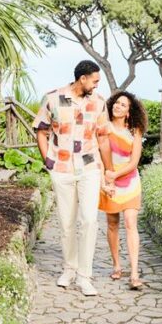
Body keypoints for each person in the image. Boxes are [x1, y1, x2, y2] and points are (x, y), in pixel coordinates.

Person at [33, 60, 112, 296]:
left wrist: (108, 170)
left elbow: (104, 138)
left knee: (89, 221)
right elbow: (41, 130)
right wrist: (48, 161)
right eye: (95, 80)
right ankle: (69, 268)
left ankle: (84, 276)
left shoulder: (99, 103)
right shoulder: (52, 98)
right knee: (66, 223)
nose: (97, 85)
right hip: (62, 168)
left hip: (89, 168)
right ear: (83, 79)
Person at [98, 90, 146, 290]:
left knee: (130, 222)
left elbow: (134, 162)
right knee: (112, 224)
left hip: (129, 181)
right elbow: (98, 154)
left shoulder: (135, 131)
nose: (118, 106)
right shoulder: (104, 128)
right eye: (116, 103)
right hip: (109, 182)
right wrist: (105, 181)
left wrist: (115, 175)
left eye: (123, 105)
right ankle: (117, 265)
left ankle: (134, 273)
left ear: (128, 112)